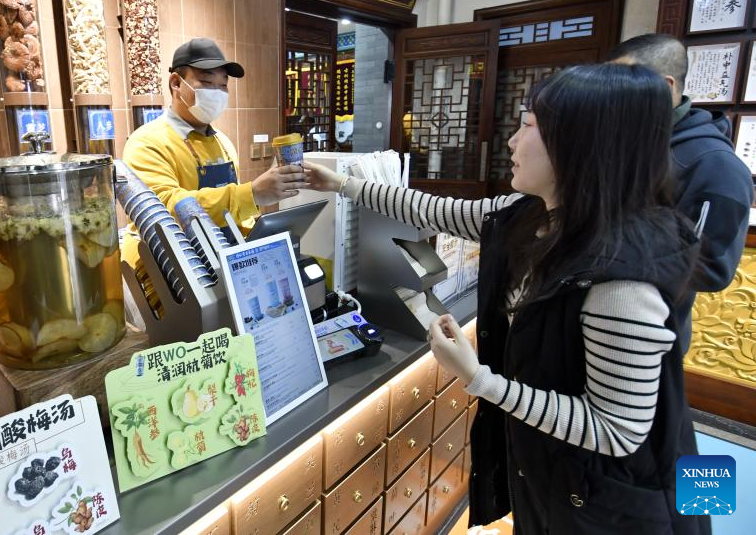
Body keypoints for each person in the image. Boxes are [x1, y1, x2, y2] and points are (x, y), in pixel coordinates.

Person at [305, 64, 706, 534]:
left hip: (612, 504)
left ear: (581, 144)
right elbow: (437, 211)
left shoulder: (621, 281)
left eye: (528, 125)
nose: (512, 142)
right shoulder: (532, 215)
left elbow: (615, 430)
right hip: (555, 477)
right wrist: (342, 184)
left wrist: (478, 378)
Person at [608, 33, 753, 349]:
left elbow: (711, 268)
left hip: (648, 334)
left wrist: (604, 250)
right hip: (597, 316)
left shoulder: (715, 165)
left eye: (624, 82)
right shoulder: (633, 144)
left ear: (664, 87)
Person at [120, 38, 307, 271]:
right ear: (176, 83)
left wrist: (260, 238)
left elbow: (238, 217)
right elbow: (162, 212)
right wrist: (252, 194)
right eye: (207, 82)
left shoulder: (223, 142)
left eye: (223, 86)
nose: (217, 93)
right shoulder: (147, 141)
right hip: (173, 271)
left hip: (222, 265)